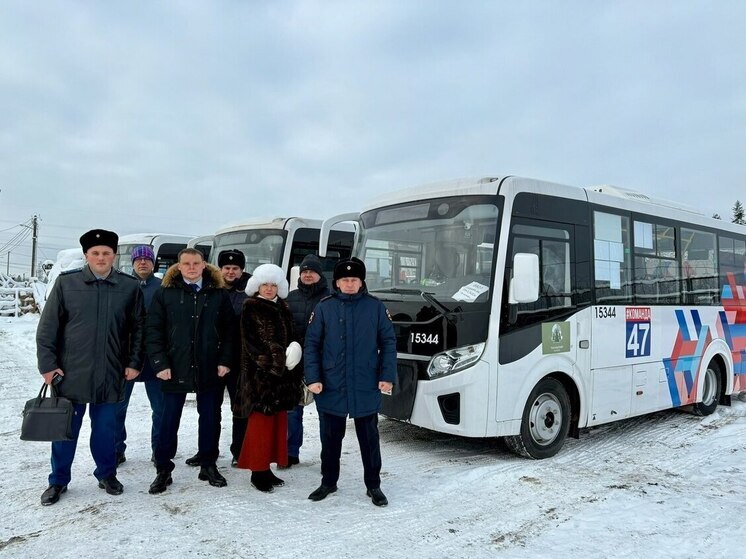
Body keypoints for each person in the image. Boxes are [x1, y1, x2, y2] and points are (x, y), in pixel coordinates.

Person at [36, 229, 145, 506]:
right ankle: (58, 480)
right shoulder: (66, 284)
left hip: (111, 373)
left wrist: (133, 363)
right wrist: (48, 366)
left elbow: (138, 329)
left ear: (114, 255)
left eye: (106, 252)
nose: (101, 257)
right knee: (65, 431)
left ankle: (107, 474)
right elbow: (48, 328)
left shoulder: (129, 287)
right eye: (95, 253)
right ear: (86, 255)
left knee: (106, 430)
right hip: (70, 374)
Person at [304, 257, 396, 506]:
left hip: (365, 383)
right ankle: (328, 482)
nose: (349, 283)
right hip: (331, 384)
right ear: (337, 282)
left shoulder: (375, 307)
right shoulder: (324, 307)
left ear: (361, 282)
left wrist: (387, 376)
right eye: (345, 280)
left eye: (354, 279)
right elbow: (311, 344)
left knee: (369, 439)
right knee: (330, 439)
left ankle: (373, 485)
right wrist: (313, 378)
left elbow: (388, 342)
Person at [145, 248, 235, 494]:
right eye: (187, 264)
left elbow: (229, 331)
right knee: (168, 420)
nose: (192, 268)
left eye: (196, 263)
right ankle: (163, 469)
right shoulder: (165, 293)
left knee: (210, 417)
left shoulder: (218, 294)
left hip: (210, 366)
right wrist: (160, 364)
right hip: (174, 367)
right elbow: (153, 331)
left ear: (204, 265)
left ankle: (208, 464)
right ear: (179, 266)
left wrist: (225, 360)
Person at [233, 264, 303, 492]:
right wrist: (279, 364)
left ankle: (267, 468)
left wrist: (295, 350)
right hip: (259, 380)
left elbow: (291, 335)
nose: (270, 288)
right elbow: (253, 346)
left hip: (281, 381)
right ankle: (257, 472)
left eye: (274, 284)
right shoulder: (251, 307)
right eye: (265, 284)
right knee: (259, 428)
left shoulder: (283, 307)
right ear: (257, 286)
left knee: (276, 425)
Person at [184, 249, 251, 468]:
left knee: (240, 409)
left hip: (240, 361)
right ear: (219, 269)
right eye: (226, 268)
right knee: (210, 409)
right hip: (212, 360)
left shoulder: (250, 293)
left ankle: (239, 450)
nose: (231, 272)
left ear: (242, 270)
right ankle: (207, 451)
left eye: (235, 268)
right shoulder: (210, 290)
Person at [114, 245, 164, 464]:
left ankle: (160, 449)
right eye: (138, 259)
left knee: (161, 409)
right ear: (132, 263)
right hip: (126, 358)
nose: (142, 263)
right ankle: (116, 449)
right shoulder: (122, 286)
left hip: (155, 358)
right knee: (116, 408)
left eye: (147, 259)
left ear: (154, 263)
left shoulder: (163, 288)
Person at [281, 254, 329, 468]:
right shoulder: (290, 298)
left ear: (320, 274)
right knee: (292, 411)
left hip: (324, 365)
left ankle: (328, 454)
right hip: (295, 364)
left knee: (326, 413)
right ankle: (291, 452)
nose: (308, 274)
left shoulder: (330, 298)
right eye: (304, 271)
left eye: (312, 271)